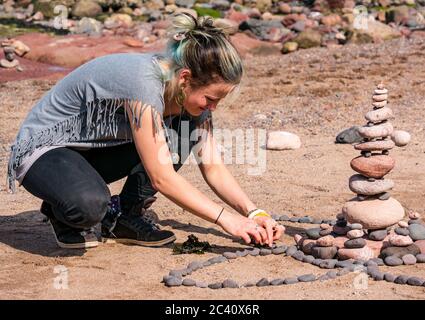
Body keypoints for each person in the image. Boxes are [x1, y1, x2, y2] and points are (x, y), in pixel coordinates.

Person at [6, 13, 285, 249]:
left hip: (92, 148)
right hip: (44, 150)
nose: (213, 107)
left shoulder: (184, 94)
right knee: (90, 205)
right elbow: (161, 177)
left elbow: (213, 167)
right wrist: (228, 220)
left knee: (184, 130)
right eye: (211, 99)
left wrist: (253, 212)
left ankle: (125, 218)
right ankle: (63, 210)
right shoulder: (143, 83)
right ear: (185, 78)